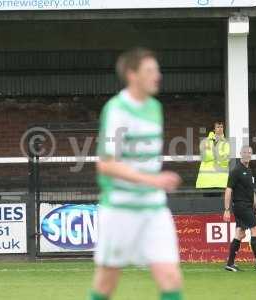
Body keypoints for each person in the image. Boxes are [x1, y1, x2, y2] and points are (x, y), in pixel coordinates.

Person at [91, 48, 183, 300]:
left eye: (157, 70)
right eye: (150, 71)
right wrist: (154, 180)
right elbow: (106, 165)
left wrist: (154, 181)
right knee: (106, 284)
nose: (158, 75)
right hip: (120, 208)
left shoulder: (155, 107)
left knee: (171, 278)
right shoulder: (117, 109)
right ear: (132, 75)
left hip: (153, 208)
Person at [223, 146, 256, 272]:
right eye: (245, 152)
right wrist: (226, 209)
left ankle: (230, 263)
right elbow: (228, 190)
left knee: (240, 233)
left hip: (248, 206)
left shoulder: (249, 171)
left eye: (249, 153)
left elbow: (252, 192)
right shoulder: (236, 170)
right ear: (240, 154)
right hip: (241, 206)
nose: (247, 155)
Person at [195, 121, 231, 189]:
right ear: (214, 129)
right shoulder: (205, 141)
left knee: (219, 199)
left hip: (220, 180)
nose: (220, 128)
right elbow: (204, 156)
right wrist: (218, 154)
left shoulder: (226, 143)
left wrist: (211, 152)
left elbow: (226, 159)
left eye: (221, 127)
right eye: (218, 127)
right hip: (206, 179)